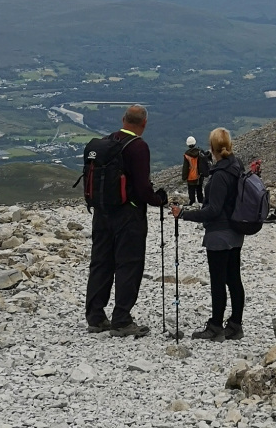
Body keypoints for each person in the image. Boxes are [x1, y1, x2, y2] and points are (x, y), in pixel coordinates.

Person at [85, 105, 167, 337]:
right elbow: (142, 188)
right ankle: (121, 318)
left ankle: (96, 316)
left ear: (123, 120)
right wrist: (157, 199)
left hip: (102, 213)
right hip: (128, 216)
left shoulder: (107, 142)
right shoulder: (138, 147)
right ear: (144, 123)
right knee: (128, 264)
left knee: (101, 263)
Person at [171, 127, 245, 342]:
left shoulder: (221, 174)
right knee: (233, 279)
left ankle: (215, 327)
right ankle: (235, 325)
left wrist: (183, 214)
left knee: (218, 281)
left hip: (219, 234)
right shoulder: (236, 165)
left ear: (212, 147)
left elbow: (213, 210)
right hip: (235, 231)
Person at [182, 136, 209, 206]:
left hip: (191, 177)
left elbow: (185, 167)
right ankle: (201, 202)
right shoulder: (200, 152)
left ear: (187, 144)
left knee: (191, 191)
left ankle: (192, 202)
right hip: (199, 176)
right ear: (195, 143)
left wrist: (184, 177)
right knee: (199, 190)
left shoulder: (187, 155)